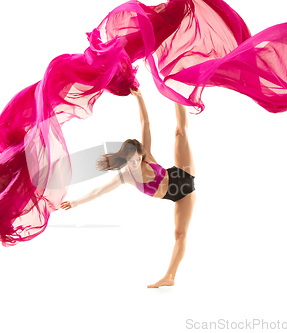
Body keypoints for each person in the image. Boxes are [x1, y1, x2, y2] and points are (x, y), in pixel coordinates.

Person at [60, 88, 196, 288]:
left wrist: (140, 97)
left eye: (137, 159)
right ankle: (170, 277)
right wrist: (75, 202)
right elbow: (99, 191)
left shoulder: (146, 155)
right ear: (125, 158)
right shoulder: (126, 177)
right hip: (181, 196)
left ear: (141, 155)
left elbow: (145, 123)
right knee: (179, 234)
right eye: (130, 160)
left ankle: (176, 90)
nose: (134, 163)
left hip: (181, 175)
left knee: (180, 132)